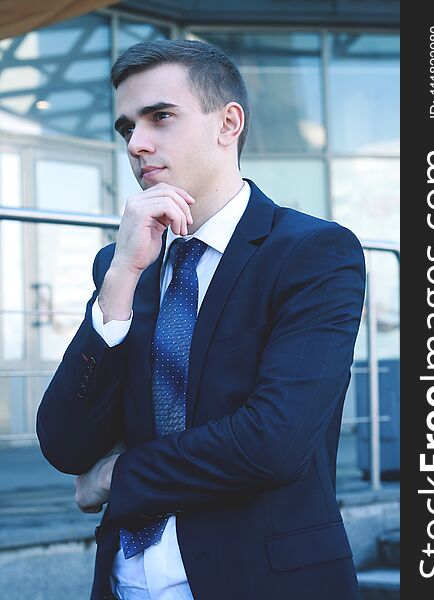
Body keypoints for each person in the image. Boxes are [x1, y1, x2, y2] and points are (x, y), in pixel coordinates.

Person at [36, 39, 366, 600]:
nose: (137, 144)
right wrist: (119, 279)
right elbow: (65, 445)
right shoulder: (122, 266)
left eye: (160, 117)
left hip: (261, 581)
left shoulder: (312, 253)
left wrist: (117, 476)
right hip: (124, 584)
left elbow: (273, 443)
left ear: (228, 123)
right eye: (125, 128)